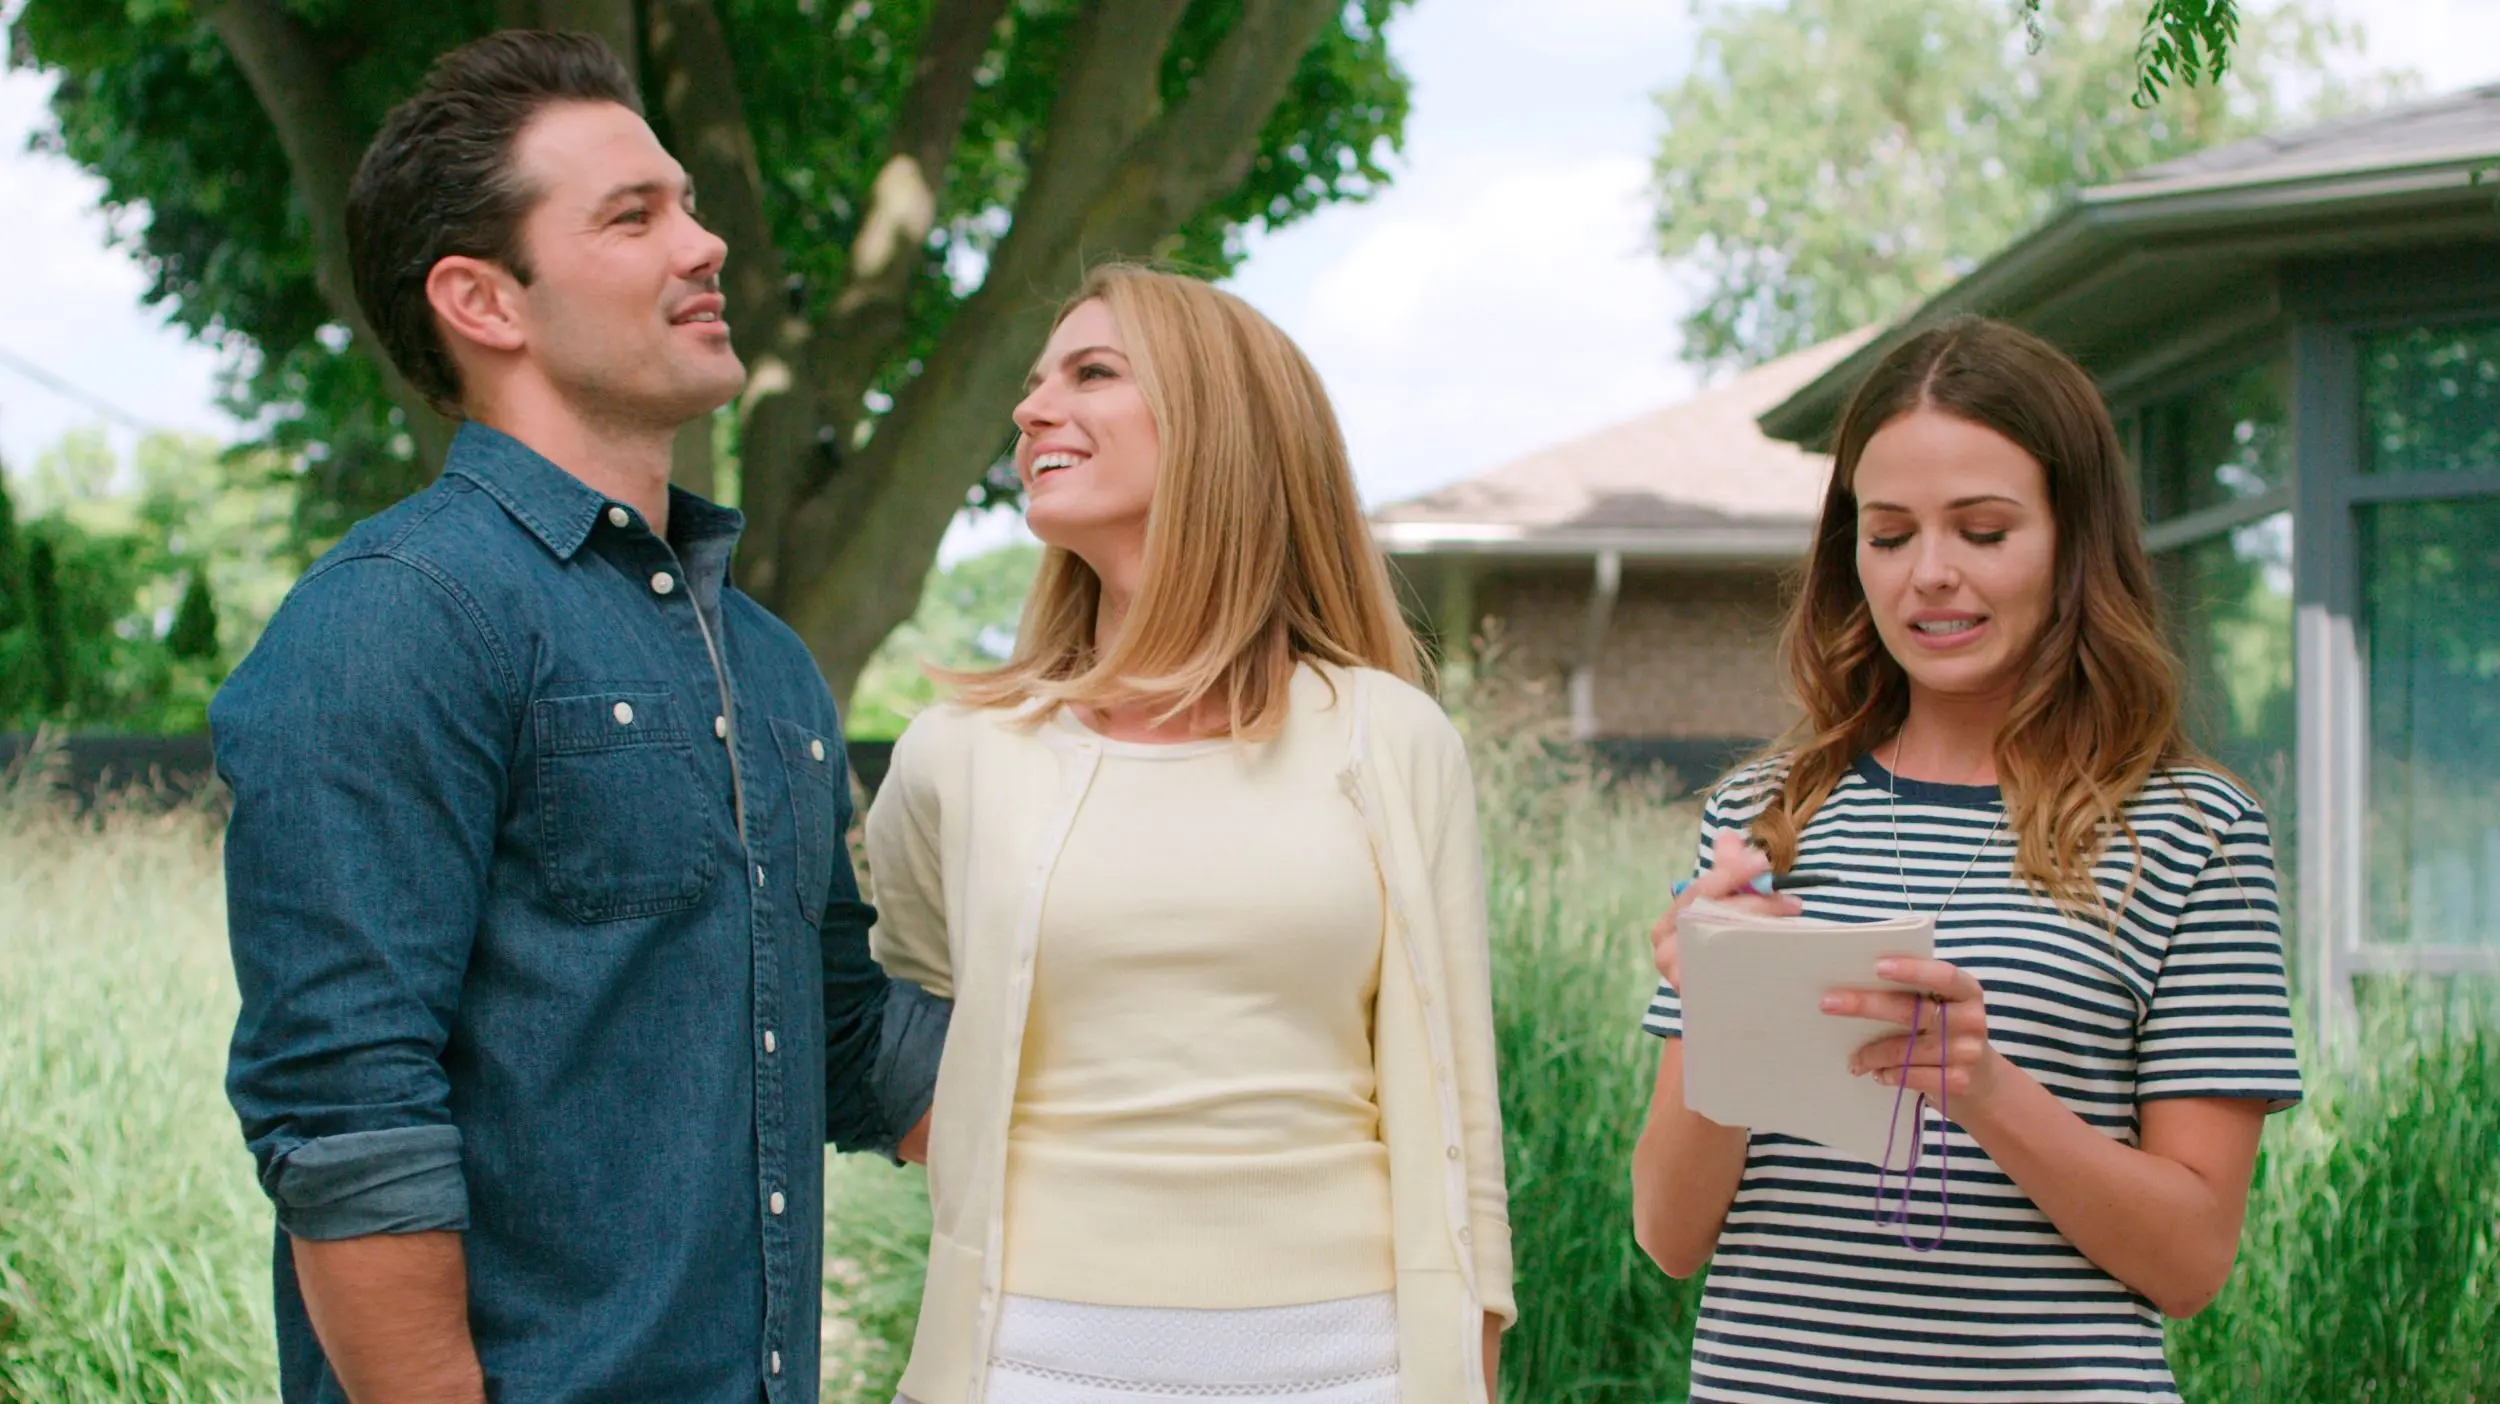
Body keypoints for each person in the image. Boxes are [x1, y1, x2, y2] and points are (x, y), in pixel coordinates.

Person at [210, 31, 945, 1404]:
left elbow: (845, 1041)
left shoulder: (770, 665)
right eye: (635, 216)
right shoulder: (392, 619)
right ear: (484, 301)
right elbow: (349, 1118)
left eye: (690, 202)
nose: (706, 242)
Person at [864, 264, 1513, 1404]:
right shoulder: (956, 755)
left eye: (1092, 373)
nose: (1029, 411)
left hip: (1349, 1367)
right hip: (1028, 1364)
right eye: (1032, 383)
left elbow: (1460, 1098)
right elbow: (911, 998)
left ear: (1217, 422)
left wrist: (1472, 1346)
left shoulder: (1393, 740)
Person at [1629, 316, 2303, 1402]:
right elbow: (1669, 1235)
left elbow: (2189, 1263)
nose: (1928, 576)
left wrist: (1981, 1087)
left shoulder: (2192, 831)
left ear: (2071, 541)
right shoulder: (1761, 822)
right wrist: (1716, 1012)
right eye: (1889, 535)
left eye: (1982, 532)